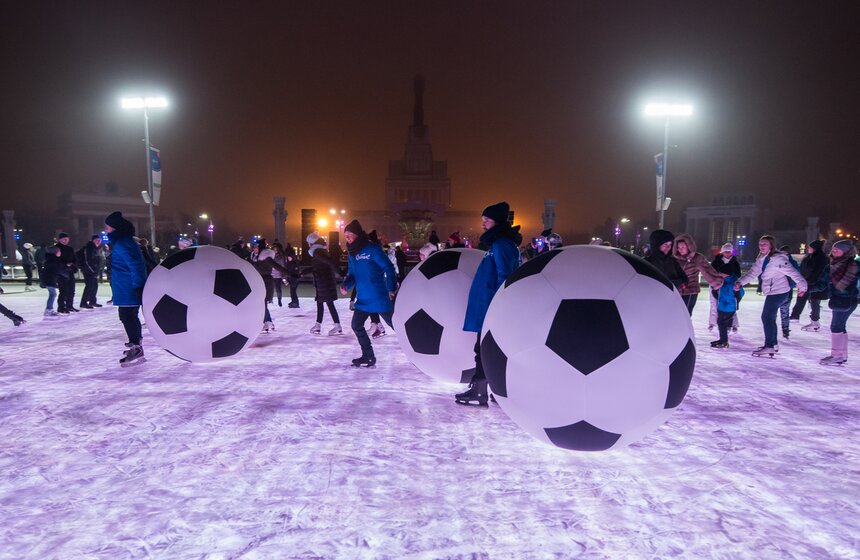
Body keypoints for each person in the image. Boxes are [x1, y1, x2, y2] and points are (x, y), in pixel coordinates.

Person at [455, 201, 522, 406]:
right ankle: (490, 389)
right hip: (487, 304)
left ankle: (480, 390)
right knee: (485, 348)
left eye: (487, 221)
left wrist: (498, 305)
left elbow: (505, 276)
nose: (483, 224)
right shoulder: (497, 244)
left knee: (483, 348)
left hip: (490, 306)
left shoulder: (502, 245)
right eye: (482, 220)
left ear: (498, 222)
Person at [735, 236, 807, 357]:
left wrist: (802, 286)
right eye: (760, 244)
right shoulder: (762, 259)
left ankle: (770, 345)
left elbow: (793, 272)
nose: (762, 246)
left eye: (764, 244)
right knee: (769, 318)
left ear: (771, 246)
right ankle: (772, 345)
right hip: (773, 291)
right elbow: (753, 273)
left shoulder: (778, 259)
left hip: (780, 292)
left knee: (767, 317)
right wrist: (740, 282)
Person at [340, 219, 397, 367]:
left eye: (349, 235)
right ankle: (368, 356)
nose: (347, 238)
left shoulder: (372, 249)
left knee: (397, 326)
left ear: (358, 235)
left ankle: (420, 351)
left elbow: (389, 268)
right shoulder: (352, 254)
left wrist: (391, 288)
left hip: (379, 297)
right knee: (356, 325)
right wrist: (346, 285)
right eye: (345, 235)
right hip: (363, 299)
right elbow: (352, 274)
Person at [104, 211, 148, 366]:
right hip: (124, 286)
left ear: (115, 228)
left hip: (128, 287)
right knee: (128, 316)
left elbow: (136, 265)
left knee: (127, 315)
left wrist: (138, 286)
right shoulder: (123, 242)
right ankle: (136, 345)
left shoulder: (123, 243)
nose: (106, 229)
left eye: (108, 227)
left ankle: (136, 347)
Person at [820, 239, 858, 365]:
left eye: (838, 249)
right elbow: (822, 283)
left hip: (849, 299)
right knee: (840, 326)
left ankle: (836, 355)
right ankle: (842, 355)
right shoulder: (829, 266)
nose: (834, 251)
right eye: (834, 249)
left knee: (836, 326)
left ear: (846, 251)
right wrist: (808, 288)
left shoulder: (854, 265)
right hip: (836, 299)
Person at [673, 233, 723, 314]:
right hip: (677, 291)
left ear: (689, 247)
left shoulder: (697, 258)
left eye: (683, 247)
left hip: (690, 291)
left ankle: (685, 327)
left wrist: (716, 282)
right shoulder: (675, 259)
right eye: (678, 247)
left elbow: (708, 270)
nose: (680, 249)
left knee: (685, 315)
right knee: (676, 315)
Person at [306, 232, 343, 335]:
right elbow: (316, 267)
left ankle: (336, 325)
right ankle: (319, 325)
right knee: (321, 302)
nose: (308, 244)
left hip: (324, 282)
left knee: (328, 303)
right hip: (323, 281)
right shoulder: (320, 251)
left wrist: (340, 272)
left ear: (312, 242)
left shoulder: (317, 252)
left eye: (309, 242)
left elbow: (330, 262)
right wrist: (301, 273)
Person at [790, 240, 830, 332]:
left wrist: (808, 282)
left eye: (810, 247)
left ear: (815, 248)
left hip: (816, 284)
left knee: (814, 302)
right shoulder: (811, 257)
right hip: (809, 282)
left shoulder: (820, 258)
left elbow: (817, 272)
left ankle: (814, 322)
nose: (808, 248)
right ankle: (797, 316)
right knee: (809, 300)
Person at [709, 243, 742, 333]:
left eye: (729, 251)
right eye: (725, 251)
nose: (727, 253)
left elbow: (738, 274)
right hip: (717, 284)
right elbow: (711, 272)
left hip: (730, 285)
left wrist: (730, 277)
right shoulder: (717, 260)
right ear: (722, 252)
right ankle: (712, 323)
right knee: (714, 304)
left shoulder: (735, 262)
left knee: (731, 305)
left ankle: (734, 324)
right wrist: (718, 278)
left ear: (731, 252)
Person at [711, 271, 743, 349]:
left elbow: (740, 294)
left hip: (729, 307)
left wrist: (737, 292)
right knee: (720, 323)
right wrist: (715, 290)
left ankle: (724, 342)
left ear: (726, 273)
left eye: (721, 273)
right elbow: (715, 293)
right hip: (721, 306)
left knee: (722, 323)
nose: (719, 274)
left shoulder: (734, 282)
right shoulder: (722, 281)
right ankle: (722, 340)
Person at [777, 245, 802, 339]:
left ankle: (785, 330)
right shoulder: (793, 262)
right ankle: (785, 330)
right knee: (783, 311)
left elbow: (797, 276)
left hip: (784, 289)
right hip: (785, 289)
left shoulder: (790, 263)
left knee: (783, 310)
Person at [55, 232, 78, 313]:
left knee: (71, 290)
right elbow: (56, 261)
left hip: (70, 271)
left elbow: (74, 259)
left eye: (67, 239)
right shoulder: (56, 248)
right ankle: (61, 307)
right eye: (64, 239)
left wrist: (73, 266)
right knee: (63, 290)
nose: (65, 241)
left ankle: (69, 306)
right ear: (60, 239)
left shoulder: (70, 248)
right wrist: (65, 265)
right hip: (61, 273)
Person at [79, 235, 103, 308]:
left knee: (94, 286)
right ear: (93, 240)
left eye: (99, 240)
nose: (98, 242)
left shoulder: (96, 248)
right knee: (89, 286)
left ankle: (92, 301)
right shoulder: (89, 248)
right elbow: (87, 261)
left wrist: (97, 270)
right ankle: (84, 302)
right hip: (88, 271)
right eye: (96, 240)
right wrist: (93, 270)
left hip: (93, 271)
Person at [41, 245, 65, 316]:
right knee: (53, 294)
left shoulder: (50, 259)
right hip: (49, 279)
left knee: (52, 294)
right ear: (55, 252)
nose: (60, 252)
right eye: (59, 251)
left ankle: (49, 309)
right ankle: (48, 310)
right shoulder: (54, 260)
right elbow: (58, 270)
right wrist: (66, 273)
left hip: (49, 279)